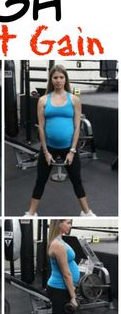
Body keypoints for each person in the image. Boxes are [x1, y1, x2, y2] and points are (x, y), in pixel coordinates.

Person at [24, 64, 96, 217]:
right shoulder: (43, 100)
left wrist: (72, 151)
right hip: (49, 148)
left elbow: (77, 127)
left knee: (77, 180)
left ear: (65, 79)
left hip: (69, 148)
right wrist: (45, 151)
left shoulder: (74, 100)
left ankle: (87, 212)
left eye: (61, 77)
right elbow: (41, 127)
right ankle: (31, 213)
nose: (58, 80)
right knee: (40, 180)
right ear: (51, 79)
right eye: (55, 77)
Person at [47, 218, 80, 314]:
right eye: (68, 222)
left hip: (61, 288)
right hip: (60, 289)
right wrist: (73, 296)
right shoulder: (58, 245)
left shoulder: (58, 240)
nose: (70, 225)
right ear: (59, 223)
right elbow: (66, 274)